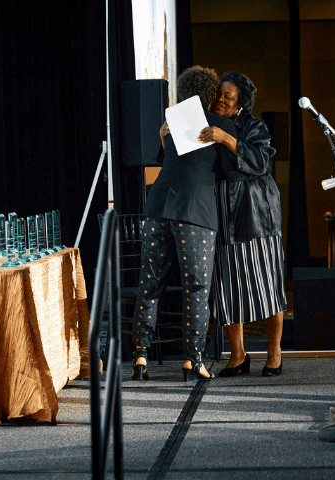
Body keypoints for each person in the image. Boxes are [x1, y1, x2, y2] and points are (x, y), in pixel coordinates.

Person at [131, 66, 239, 382]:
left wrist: (163, 140)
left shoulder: (174, 121)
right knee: (195, 287)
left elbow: (172, 162)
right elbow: (229, 170)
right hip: (196, 214)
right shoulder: (220, 125)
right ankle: (194, 360)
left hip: (157, 208)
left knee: (150, 285)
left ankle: (139, 356)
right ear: (212, 94)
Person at [197, 72, 287, 377]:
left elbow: (261, 162)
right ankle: (238, 355)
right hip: (220, 211)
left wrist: (226, 138)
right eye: (219, 94)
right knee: (226, 286)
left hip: (255, 212)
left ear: (241, 104)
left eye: (228, 96)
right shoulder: (205, 123)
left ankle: (274, 352)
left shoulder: (254, 126)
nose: (221, 99)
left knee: (268, 284)